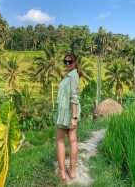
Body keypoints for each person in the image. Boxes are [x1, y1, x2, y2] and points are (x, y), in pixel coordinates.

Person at [55, 53, 81, 182]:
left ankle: (65, 171)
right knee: (72, 141)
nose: (67, 64)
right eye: (65, 61)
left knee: (62, 141)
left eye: (69, 62)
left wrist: (74, 117)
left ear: (75, 62)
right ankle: (71, 171)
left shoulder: (73, 76)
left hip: (68, 113)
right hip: (65, 112)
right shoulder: (70, 76)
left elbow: (74, 97)